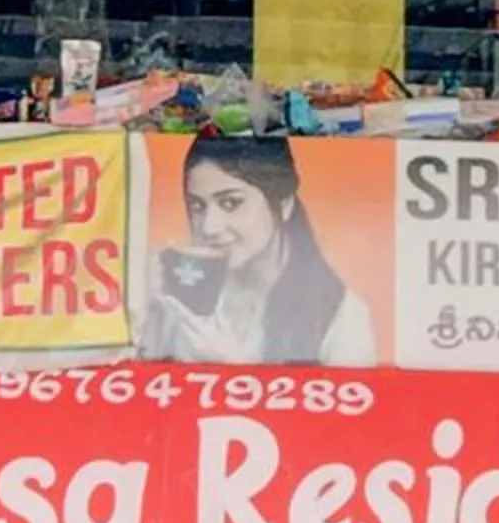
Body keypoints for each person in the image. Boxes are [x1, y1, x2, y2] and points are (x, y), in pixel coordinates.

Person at [142, 136, 377, 367]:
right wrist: (143, 312)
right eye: (197, 206)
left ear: (284, 203)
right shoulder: (180, 293)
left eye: (230, 203)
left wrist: (231, 368)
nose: (209, 227)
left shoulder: (339, 316)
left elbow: (354, 403)